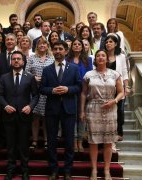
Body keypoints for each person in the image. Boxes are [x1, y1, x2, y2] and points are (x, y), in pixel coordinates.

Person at [80, 49, 124, 180]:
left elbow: (121, 92)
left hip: (110, 109)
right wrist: (81, 111)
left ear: (107, 59)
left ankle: (106, 170)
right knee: (93, 141)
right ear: (95, 59)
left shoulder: (115, 74)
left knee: (108, 142)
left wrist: (114, 101)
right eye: (98, 55)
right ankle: (94, 170)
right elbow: (83, 93)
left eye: (103, 55)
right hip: (93, 109)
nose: (100, 57)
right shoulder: (88, 75)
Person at [40, 41, 81, 180]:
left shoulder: (74, 68)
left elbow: (79, 87)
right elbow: (42, 89)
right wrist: (52, 90)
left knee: (69, 142)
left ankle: (68, 170)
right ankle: (54, 170)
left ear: (66, 51)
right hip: (52, 110)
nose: (58, 51)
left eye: (60, 49)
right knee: (51, 142)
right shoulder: (46, 69)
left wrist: (68, 89)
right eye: (55, 49)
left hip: (69, 109)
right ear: (52, 51)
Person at [0, 51, 39, 180]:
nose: (16, 61)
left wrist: (30, 106)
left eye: (18, 59)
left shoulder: (30, 77)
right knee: (10, 145)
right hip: (8, 117)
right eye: (14, 59)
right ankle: (11, 169)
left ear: (23, 61)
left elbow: (36, 95)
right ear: (11, 61)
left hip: (24, 116)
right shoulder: (4, 77)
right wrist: (5, 106)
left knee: (23, 145)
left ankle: (25, 170)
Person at [25, 36, 54, 149]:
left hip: (48, 91)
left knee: (47, 117)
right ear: (36, 46)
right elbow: (26, 72)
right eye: (40, 44)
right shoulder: (32, 58)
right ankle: (35, 140)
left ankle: (47, 140)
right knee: (35, 118)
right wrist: (34, 78)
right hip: (34, 90)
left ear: (47, 46)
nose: (42, 45)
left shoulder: (52, 58)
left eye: (44, 44)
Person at [66, 38, 93, 152]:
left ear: (82, 47)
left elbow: (90, 75)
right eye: (74, 44)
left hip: (84, 91)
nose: (77, 46)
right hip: (71, 91)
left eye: (79, 44)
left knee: (82, 117)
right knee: (72, 117)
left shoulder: (88, 60)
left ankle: (80, 141)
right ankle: (73, 141)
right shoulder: (67, 59)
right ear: (71, 47)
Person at [104, 33, 130, 142]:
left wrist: (127, 86)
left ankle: (119, 132)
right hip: (106, 88)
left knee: (120, 111)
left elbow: (124, 72)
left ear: (115, 44)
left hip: (119, 88)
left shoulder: (121, 56)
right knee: (107, 111)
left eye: (110, 42)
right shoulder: (102, 55)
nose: (108, 44)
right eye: (106, 42)